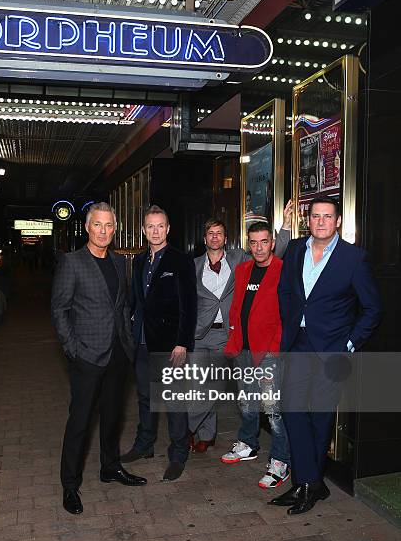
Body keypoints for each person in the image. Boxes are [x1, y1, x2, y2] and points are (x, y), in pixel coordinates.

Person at [271, 196, 381, 515]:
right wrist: (289, 322)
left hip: (331, 349)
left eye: (327, 216)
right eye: (315, 216)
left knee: (320, 418)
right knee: (291, 410)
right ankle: (310, 481)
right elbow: (285, 292)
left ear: (338, 222)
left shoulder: (354, 259)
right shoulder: (294, 250)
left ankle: (308, 484)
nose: (320, 221)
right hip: (297, 343)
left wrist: (348, 344)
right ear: (309, 220)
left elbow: (373, 308)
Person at [51, 202, 147, 515]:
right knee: (79, 422)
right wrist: (73, 350)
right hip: (87, 355)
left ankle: (110, 467)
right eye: (97, 225)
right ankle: (70, 485)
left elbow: (121, 306)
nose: (103, 231)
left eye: (109, 225)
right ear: (87, 227)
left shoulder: (120, 263)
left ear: (114, 229)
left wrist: (128, 342)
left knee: (113, 417)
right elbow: (60, 309)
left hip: (118, 352)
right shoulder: (72, 262)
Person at [189, 201, 293, 452]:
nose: (215, 238)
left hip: (229, 335)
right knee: (199, 386)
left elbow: (271, 254)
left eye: (219, 234)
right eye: (210, 234)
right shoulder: (192, 265)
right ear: (205, 238)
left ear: (226, 238)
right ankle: (204, 434)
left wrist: (286, 227)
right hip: (200, 335)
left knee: (227, 389)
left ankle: (189, 430)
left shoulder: (239, 260)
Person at [121, 205, 197, 481]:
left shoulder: (181, 260)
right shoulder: (140, 261)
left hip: (170, 345)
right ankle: (145, 444)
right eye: (150, 226)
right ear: (144, 230)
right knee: (145, 397)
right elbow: (136, 300)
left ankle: (179, 452)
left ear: (168, 229)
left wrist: (183, 343)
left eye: (160, 226)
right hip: (142, 341)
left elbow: (189, 305)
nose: (155, 231)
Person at [221, 222, 290, 489]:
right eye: (254, 242)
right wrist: (233, 339)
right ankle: (248, 444)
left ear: (272, 242)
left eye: (264, 242)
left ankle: (280, 462)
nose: (259, 248)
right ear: (248, 244)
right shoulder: (243, 270)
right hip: (244, 349)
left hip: (269, 352)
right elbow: (237, 307)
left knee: (273, 411)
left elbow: (287, 313)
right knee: (247, 402)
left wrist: (275, 346)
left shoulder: (283, 271)